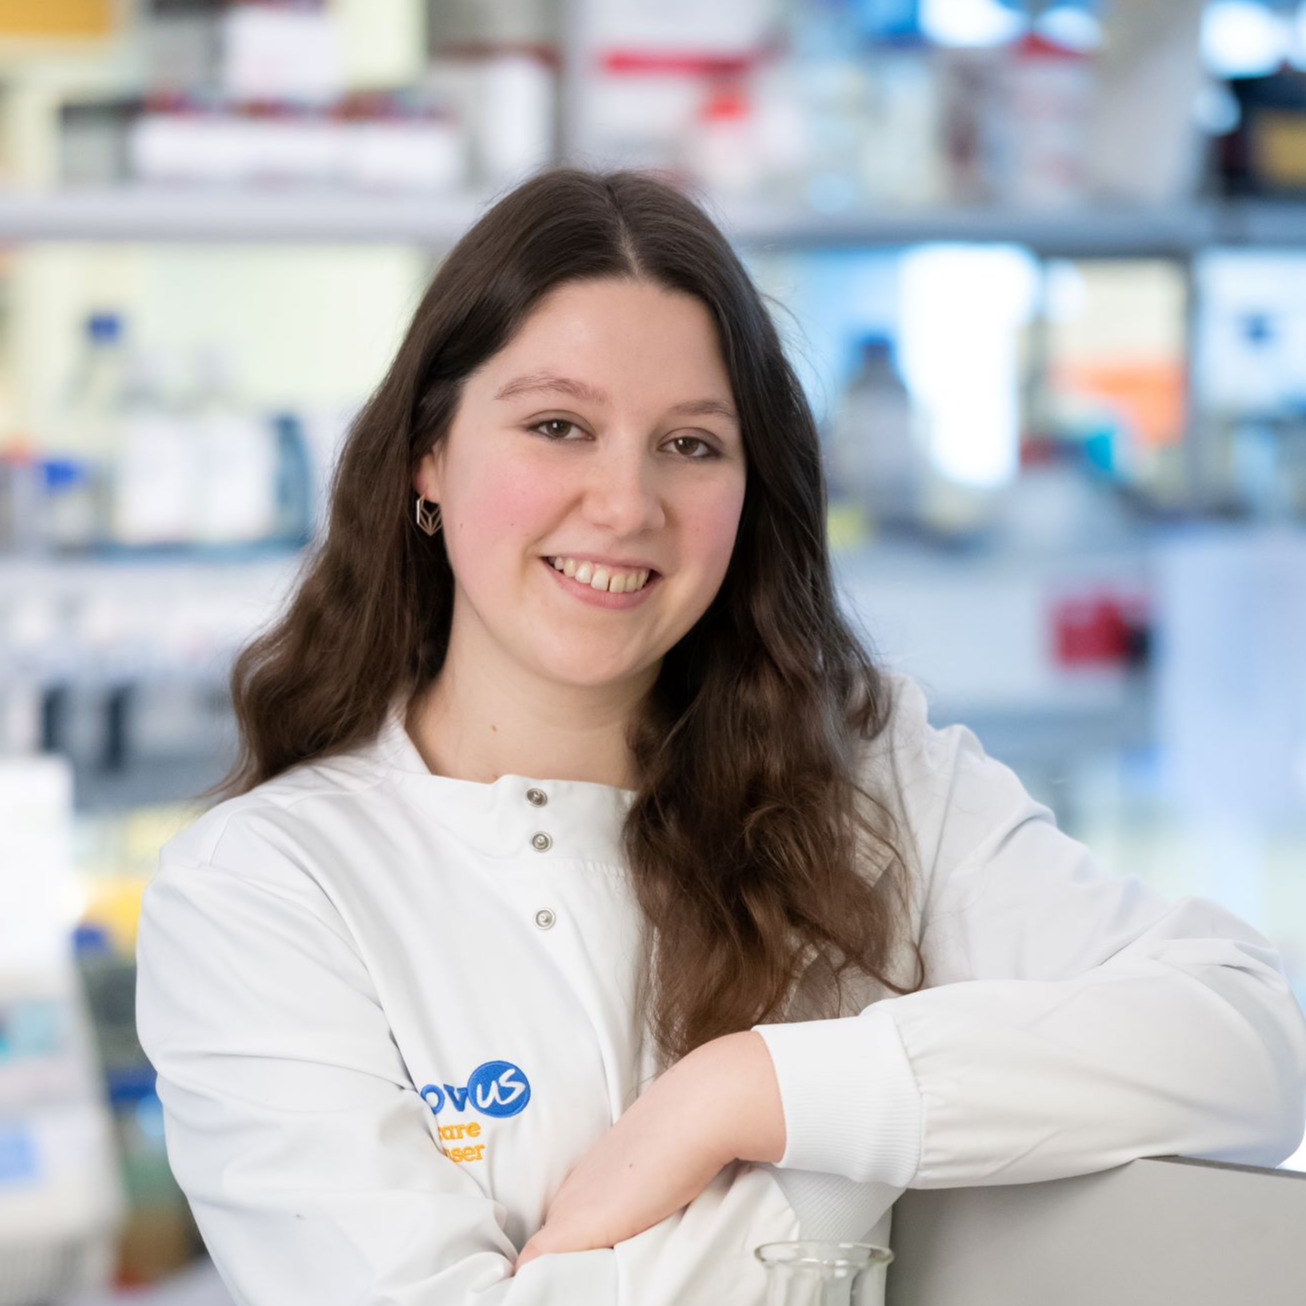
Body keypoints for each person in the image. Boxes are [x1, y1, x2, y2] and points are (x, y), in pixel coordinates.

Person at [134, 167, 1306, 1306]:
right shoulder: (262, 891)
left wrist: (749, 1092)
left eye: (691, 443)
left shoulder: (870, 770)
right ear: (425, 457)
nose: (625, 504)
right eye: (558, 425)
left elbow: (1249, 1040)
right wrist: (850, 1172)